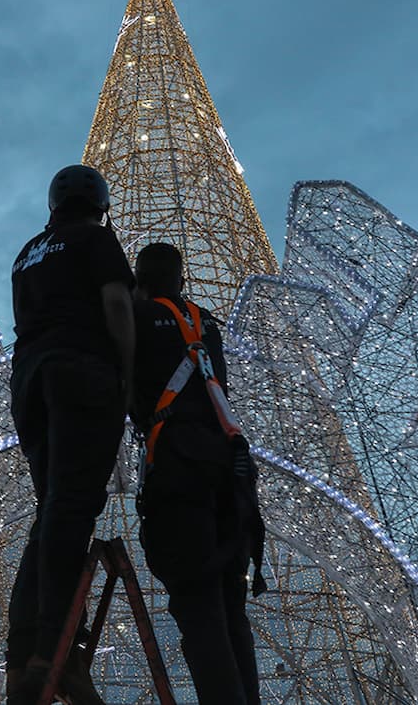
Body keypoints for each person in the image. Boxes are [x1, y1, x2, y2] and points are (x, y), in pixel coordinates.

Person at [6, 164, 135, 705]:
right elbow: (115, 304)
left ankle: (26, 651)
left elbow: (23, 319)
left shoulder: (27, 252)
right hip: (82, 372)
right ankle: (59, 649)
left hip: (29, 380)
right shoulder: (98, 238)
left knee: (52, 511)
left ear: (53, 204)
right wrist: (127, 376)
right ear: (100, 203)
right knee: (73, 507)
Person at [130, 242, 265, 705]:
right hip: (231, 471)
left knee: (199, 609)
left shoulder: (140, 318)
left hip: (179, 470)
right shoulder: (205, 323)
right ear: (183, 281)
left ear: (140, 283)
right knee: (232, 613)